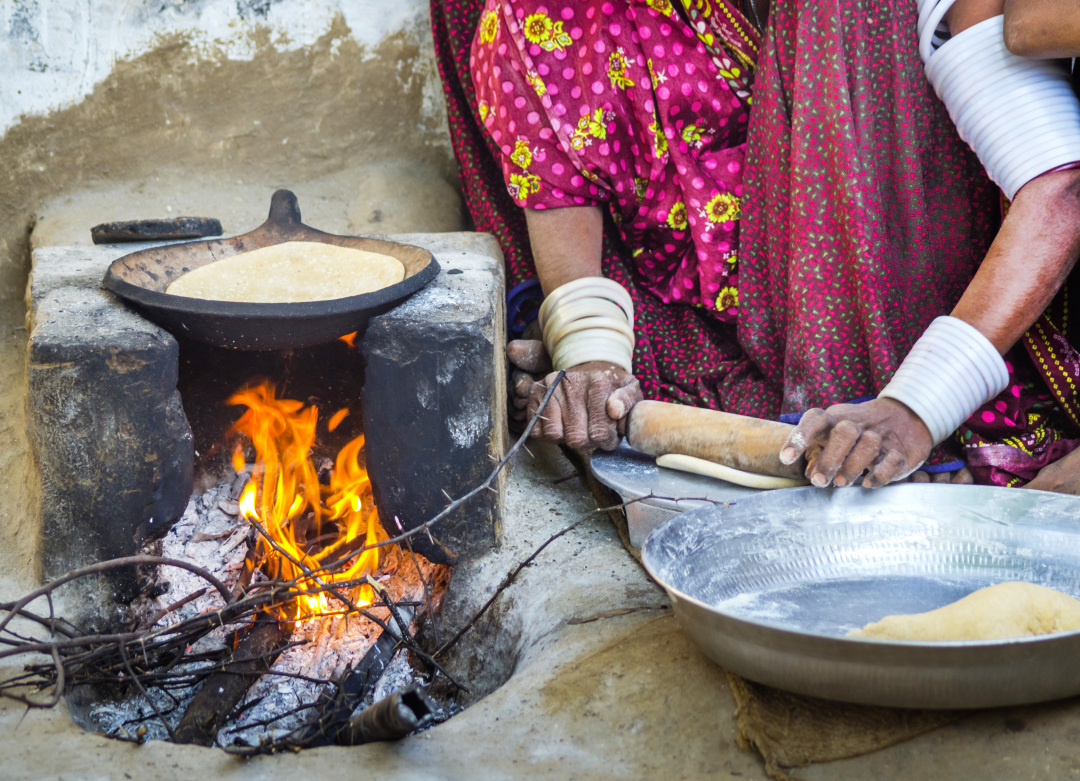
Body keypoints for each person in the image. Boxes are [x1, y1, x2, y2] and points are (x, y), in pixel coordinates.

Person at [431, 0, 1080, 490]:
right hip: (725, 312)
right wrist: (591, 354)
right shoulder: (556, 20)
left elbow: (1057, 186)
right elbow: (1055, 173)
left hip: (910, 293)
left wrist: (918, 402)